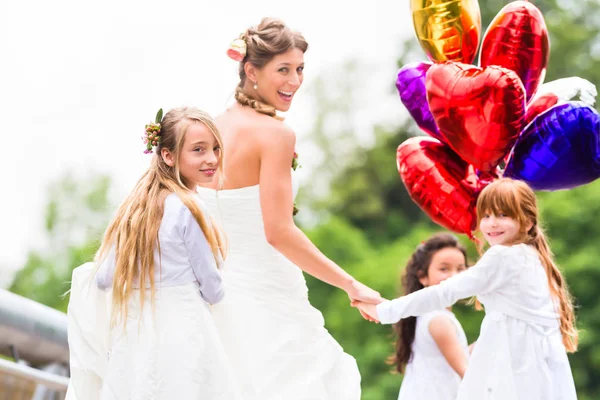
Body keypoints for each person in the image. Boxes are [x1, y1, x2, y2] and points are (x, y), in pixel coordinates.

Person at [196, 17, 380, 400]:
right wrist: (350, 284)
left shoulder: (207, 129)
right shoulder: (275, 134)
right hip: (268, 294)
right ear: (251, 70)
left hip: (211, 295)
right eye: (283, 70)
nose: (294, 81)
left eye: (299, 70)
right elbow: (278, 232)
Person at [67, 107, 241, 400]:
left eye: (215, 148)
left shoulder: (134, 211)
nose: (211, 158)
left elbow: (103, 278)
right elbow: (211, 288)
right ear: (169, 156)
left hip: (135, 338)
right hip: (185, 332)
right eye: (198, 150)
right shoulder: (191, 208)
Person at [355, 178, 578, 400]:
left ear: (528, 222)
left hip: (515, 370)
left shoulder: (503, 256)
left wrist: (386, 310)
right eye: (487, 215)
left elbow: (444, 292)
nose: (491, 224)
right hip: (539, 368)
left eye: (503, 215)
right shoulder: (534, 256)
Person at [390, 233, 470, 400]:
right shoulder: (439, 320)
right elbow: (468, 373)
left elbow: (451, 354)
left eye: (460, 269)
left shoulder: (427, 314)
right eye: (444, 269)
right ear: (422, 277)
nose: (454, 276)